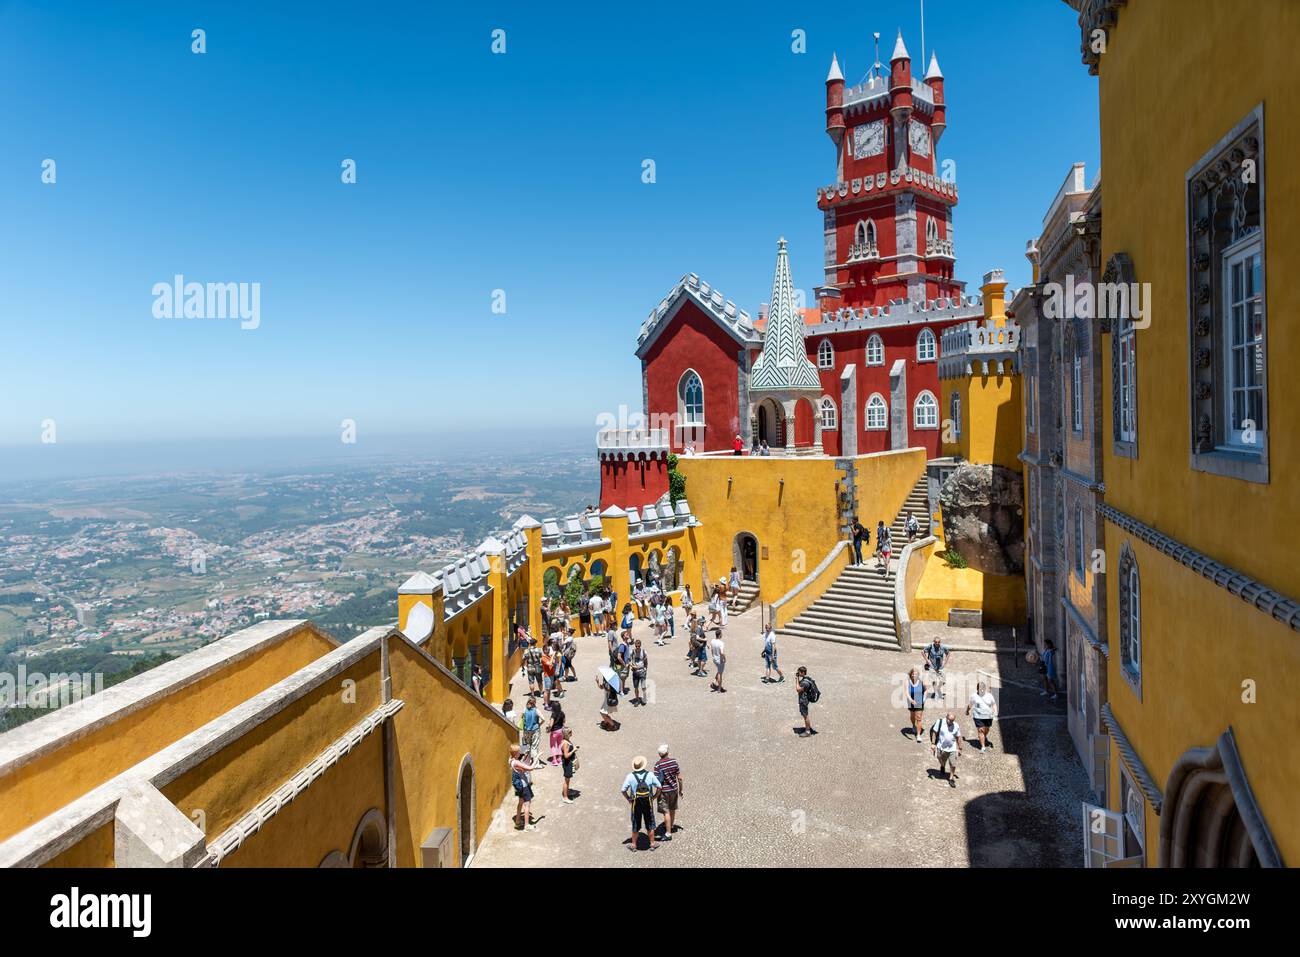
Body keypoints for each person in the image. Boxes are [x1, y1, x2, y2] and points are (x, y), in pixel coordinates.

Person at [621, 756, 661, 851]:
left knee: (635, 823)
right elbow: (659, 787)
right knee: (650, 822)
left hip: (636, 803)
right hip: (648, 802)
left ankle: (634, 845)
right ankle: (652, 843)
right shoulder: (650, 775)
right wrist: (654, 797)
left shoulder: (630, 776)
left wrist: (629, 799)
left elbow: (623, 790)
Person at [653, 744, 683, 840]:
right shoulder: (674, 762)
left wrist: (655, 794)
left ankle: (668, 833)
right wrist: (680, 790)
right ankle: (671, 825)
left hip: (664, 792)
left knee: (666, 812)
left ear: (659, 754)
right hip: (674, 789)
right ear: (667, 753)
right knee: (672, 809)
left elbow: (657, 781)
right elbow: (680, 778)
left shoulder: (658, 765)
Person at [509, 744, 542, 830]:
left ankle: (517, 822)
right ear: (516, 754)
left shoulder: (512, 760)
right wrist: (537, 757)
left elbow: (521, 768)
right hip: (524, 786)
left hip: (520, 786)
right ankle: (527, 825)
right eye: (519, 751)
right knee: (527, 804)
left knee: (520, 803)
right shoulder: (517, 762)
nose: (520, 752)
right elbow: (530, 768)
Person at [930, 711, 963, 787]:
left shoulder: (956, 725)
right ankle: (942, 766)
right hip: (941, 747)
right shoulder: (940, 722)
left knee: (953, 764)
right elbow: (934, 732)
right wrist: (933, 743)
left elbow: (958, 737)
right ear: (946, 717)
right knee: (940, 758)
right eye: (949, 720)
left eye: (952, 720)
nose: (951, 722)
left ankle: (951, 779)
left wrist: (960, 748)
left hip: (952, 748)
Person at [967, 680, 997, 752]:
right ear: (977, 689)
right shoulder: (974, 696)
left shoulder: (989, 696)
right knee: (981, 730)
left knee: (986, 729)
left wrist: (995, 711)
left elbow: (994, 704)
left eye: (983, 689)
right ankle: (983, 747)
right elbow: (970, 704)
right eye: (980, 689)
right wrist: (967, 710)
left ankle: (984, 736)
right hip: (978, 716)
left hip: (988, 716)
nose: (982, 691)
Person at [923, 636, 949, 701]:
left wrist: (945, 661)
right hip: (932, 666)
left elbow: (948, 653)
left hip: (940, 666)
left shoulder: (943, 647)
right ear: (933, 642)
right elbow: (922, 652)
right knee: (934, 681)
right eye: (936, 642)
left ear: (940, 642)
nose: (937, 643)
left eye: (938, 642)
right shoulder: (930, 646)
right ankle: (936, 694)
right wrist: (927, 660)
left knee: (943, 681)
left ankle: (937, 690)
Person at [905, 668, 926, 743]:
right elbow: (906, 692)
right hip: (911, 701)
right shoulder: (908, 682)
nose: (914, 675)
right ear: (910, 674)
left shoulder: (921, 682)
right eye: (913, 674)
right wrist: (911, 700)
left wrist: (924, 698)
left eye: (916, 674)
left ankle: (918, 735)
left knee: (919, 718)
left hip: (919, 701)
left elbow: (926, 690)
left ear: (918, 675)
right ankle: (913, 725)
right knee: (912, 715)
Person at [796, 666, 818, 735]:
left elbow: (798, 689)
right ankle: (808, 727)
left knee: (805, 715)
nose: (798, 673)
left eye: (799, 672)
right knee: (805, 714)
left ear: (803, 672)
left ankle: (807, 731)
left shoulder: (805, 683)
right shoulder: (807, 679)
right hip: (805, 699)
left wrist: (796, 679)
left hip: (803, 700)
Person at [520, 697, 542, 761]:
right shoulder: (536, 710)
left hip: (526, 730)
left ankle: (523, 760)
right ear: (534, 702)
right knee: (534, 746)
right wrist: (539, 724)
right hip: (535, 730)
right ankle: (535, 762)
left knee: (525, 745)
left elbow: (521, 718)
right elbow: (543, 719)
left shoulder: (524, 709)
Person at [560, 728, 578, 804]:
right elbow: (566, 755)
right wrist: (574, 750)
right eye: (570, 732)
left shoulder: (566, 741)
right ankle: (565, 797)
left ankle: (567, 792)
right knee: (566, 780)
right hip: (567, 763)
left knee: (568, 780)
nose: (572, 732)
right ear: (567, 733)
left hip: (568, 762)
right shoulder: (565, 743)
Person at [630, 639, 649, 706]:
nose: (637, 647)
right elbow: (629, 661)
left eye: (638, 646)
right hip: (635, 672)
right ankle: (637, 700)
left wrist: (645, 670)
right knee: (636, 687)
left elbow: (646, 662)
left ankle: (644, 698)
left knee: (643, 687)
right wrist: (632, 666)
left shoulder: (644, 652)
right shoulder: (632, 652)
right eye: (636, 646)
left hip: (642, 672)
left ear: (640, 646)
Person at [709, 628, 726, 693]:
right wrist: (724, 658)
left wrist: (713, 656)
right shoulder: (721, 643)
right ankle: (719, 688)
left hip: (715, 659)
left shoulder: (712, 640)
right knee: (720, 674)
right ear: (719, 635)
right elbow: (722, 653)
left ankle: (713, 682)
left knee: (719, 670)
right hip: (720, 660)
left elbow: (712, 650)